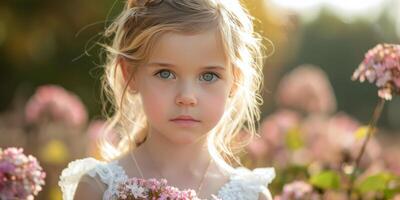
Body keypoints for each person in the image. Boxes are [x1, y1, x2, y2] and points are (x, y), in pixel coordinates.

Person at [58, 0, 275, 199]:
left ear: (234, 81)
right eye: (165, 73)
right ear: (130, 74)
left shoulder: (251, 195)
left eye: (209, 76)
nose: (187, 97)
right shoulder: (98, 189)